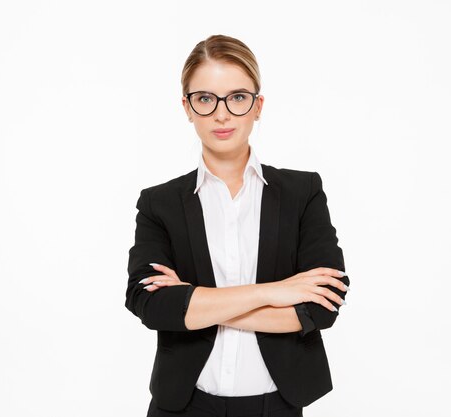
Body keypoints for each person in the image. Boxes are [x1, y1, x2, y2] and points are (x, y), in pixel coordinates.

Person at [126, 34, 350, 417]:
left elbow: (323, 307)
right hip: (184, 406)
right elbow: (151, 305)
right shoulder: (158, 203)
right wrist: (276, 292)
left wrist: (195, 302)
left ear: (257, 105)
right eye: (205, 98)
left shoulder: (303, 192)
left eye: (238, 97)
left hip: (276, 407)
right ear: (188, 107)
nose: (222, 113)